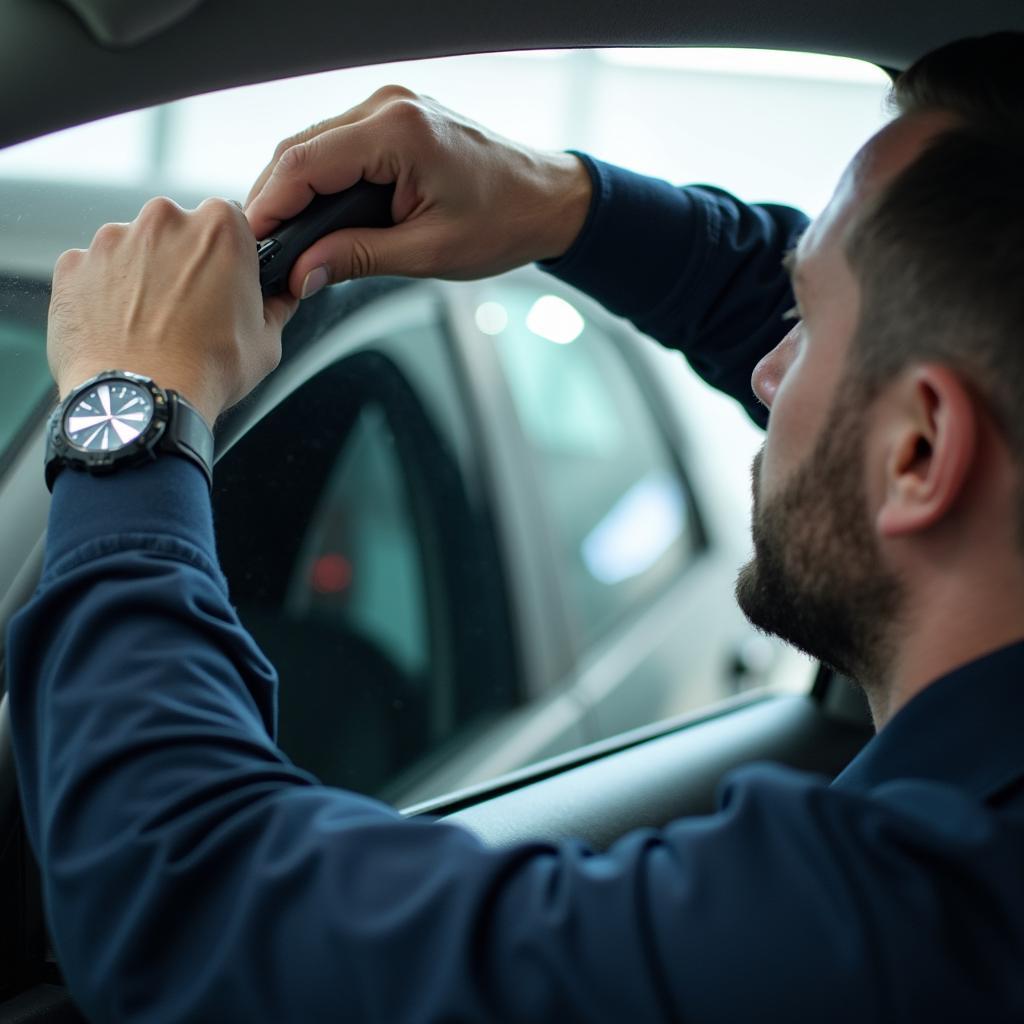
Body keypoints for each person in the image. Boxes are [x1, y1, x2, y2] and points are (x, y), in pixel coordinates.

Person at [7, 31, 1024, 1023]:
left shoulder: (897, 927)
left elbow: (188, 906)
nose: (764, 365)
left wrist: (128, 406)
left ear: (920, 452)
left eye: (802, 322)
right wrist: (561, 204)